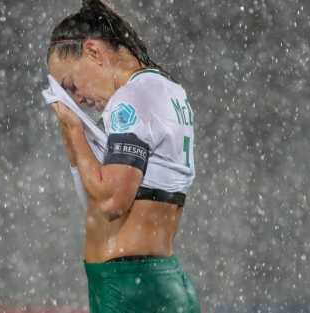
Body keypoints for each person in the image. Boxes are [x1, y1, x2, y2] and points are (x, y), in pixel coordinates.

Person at [45, 1, 201, 312]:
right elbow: (98, 197)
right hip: (154, 282)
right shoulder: (166, 90)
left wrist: (73, 128)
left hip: (130, 286)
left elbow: (112, 202)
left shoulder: (131, 99)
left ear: (93, 51)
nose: (78, 99)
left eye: (71, 86)